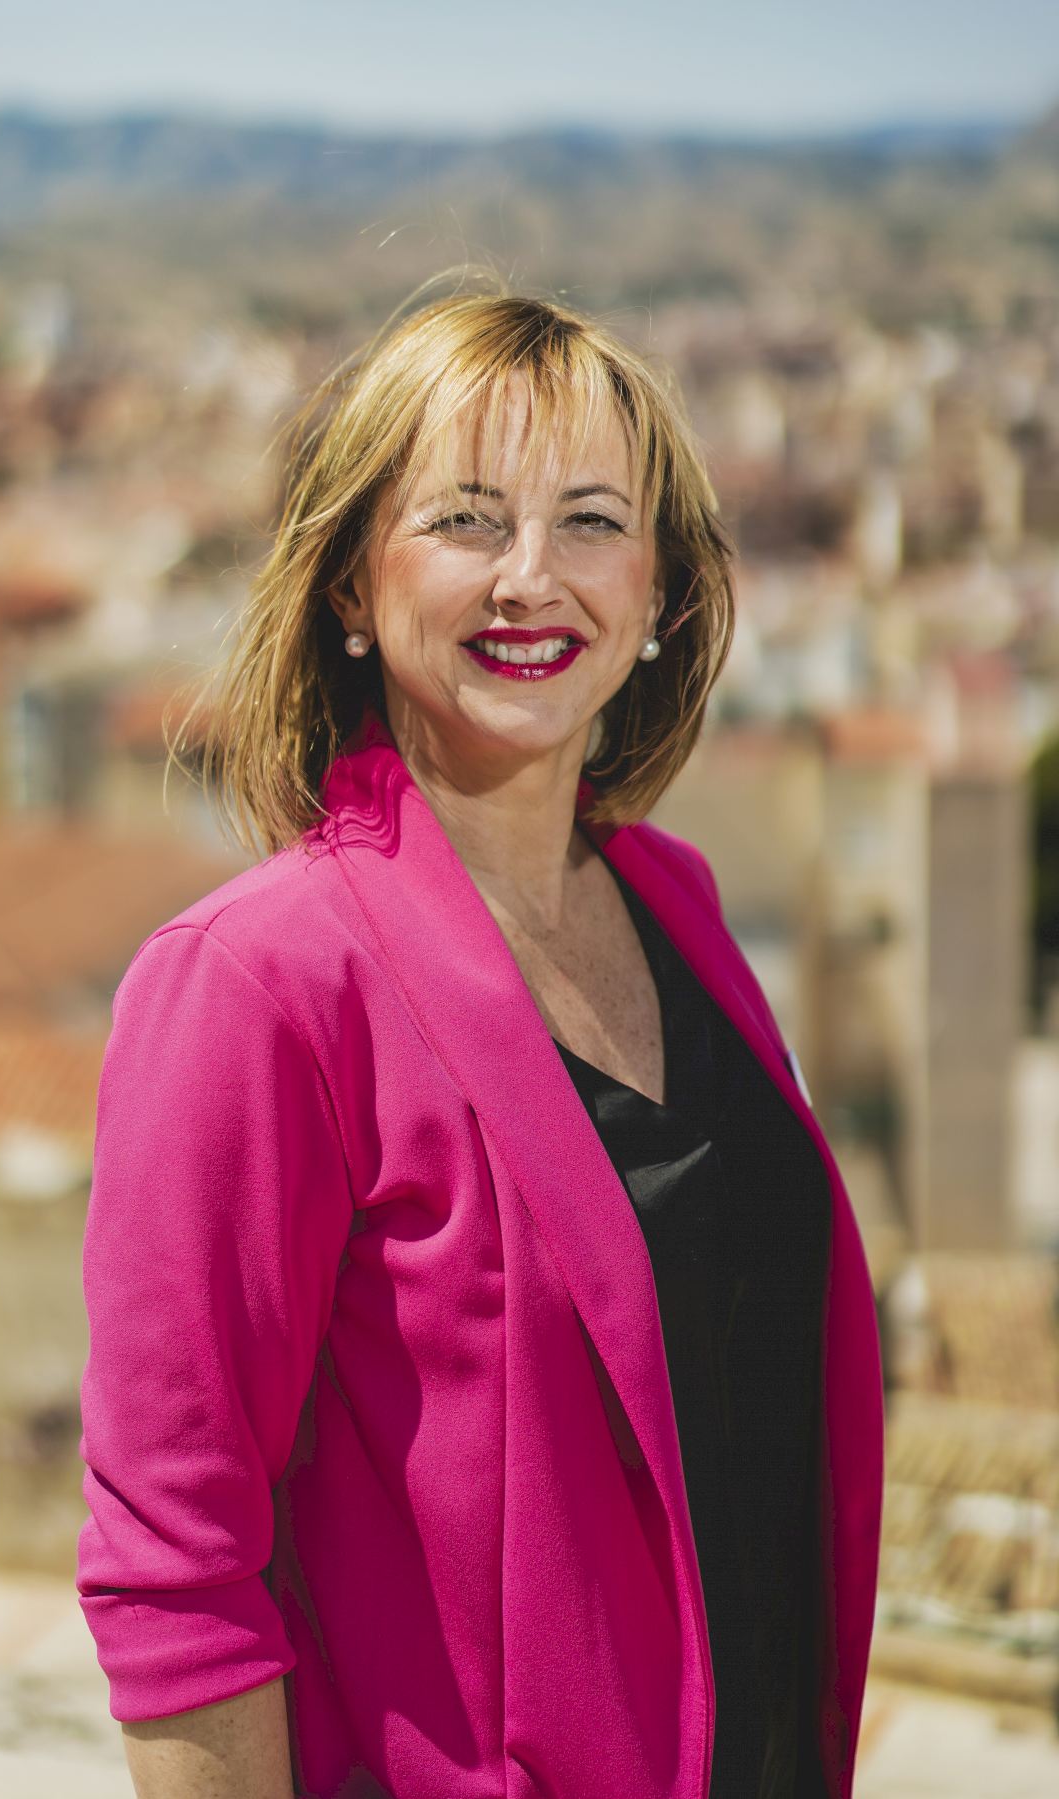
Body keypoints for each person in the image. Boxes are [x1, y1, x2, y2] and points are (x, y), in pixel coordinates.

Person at [76, 281, 885, 1799]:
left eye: (591, 522)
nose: (532, 579)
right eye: (464, 520)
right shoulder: (257, 985)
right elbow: (175, 1570)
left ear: (660, 594)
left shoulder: (679, 908)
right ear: (350, 583)